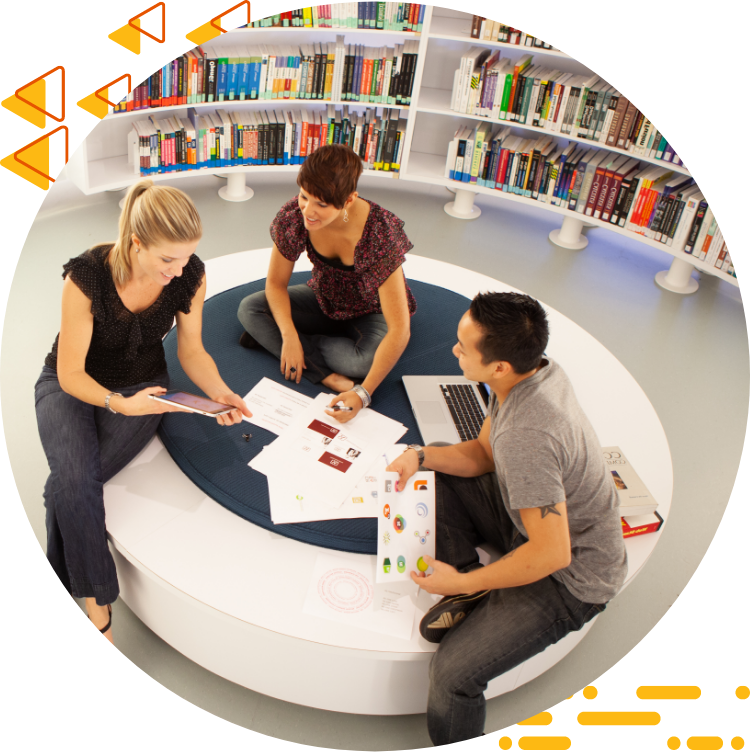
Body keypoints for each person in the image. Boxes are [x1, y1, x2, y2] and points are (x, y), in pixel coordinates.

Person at [386, 292, 628, 749]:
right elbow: (481, 455)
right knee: (438, 462)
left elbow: (552, 553)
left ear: (498, 365)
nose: (453, 350)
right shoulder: (535, 371)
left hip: (572, 577)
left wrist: (452, 583)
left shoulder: (528, 435)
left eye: (463, 346)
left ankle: (468, 589)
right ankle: (477, 583)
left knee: (453, 675)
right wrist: (418, 456)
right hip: (534, 528)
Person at [35, 179, 252, 646]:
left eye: (186, 258)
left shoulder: (189, 274)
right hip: (71, 386)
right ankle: (100, 612)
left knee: (67, 485)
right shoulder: (87, 277)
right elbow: (71, 372)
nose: (178, 271)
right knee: (74, 482)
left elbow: (192, 351)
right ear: (136, 244)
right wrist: (117, 404)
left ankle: (71, 585)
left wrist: (220, 391)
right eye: (167, 260)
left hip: (145, 387)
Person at [236, 144, 415, 425]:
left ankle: (273, 339)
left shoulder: (380, 234)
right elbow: (275, 284)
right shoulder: (294, 215)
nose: (308, 211)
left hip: (370, 311)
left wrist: (364, 393)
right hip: (323, 298)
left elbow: (400, 329)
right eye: (304, 197)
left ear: (349, 200)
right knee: (250, 308)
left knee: (362, 364)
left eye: (321, 204)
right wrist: (289, 336)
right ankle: (323, 372)